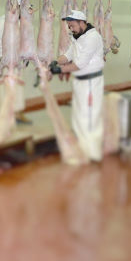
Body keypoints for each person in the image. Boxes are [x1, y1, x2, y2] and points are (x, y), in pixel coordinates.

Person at [50, 9, 105, 162]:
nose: (71, 29)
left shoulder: (92, 37)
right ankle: (83, 151)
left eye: (72, 25)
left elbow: (79, 64)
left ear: (82, 23)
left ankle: (93, 154)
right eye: (69, 26)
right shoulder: (77, 37)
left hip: (91, 83)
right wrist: (55, 61)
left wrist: (58, 70)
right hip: (80, 83)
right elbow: (68, 55)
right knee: (78, 117)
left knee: (89, 118)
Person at [0, 0, 29, 123]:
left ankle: (18, 114)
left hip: (16, 61)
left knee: (18, 90)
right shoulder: (3, 21)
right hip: (3, 61)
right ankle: (5, 119)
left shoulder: (20, 23)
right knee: (4, 90)